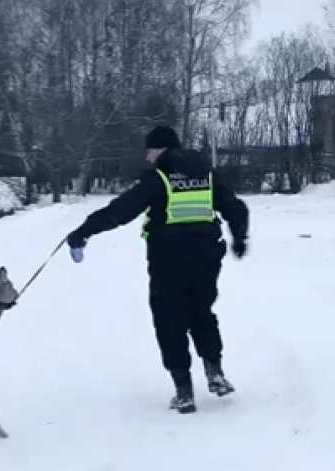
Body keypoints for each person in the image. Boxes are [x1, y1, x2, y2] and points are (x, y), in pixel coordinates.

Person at [66, 125, 249, 414]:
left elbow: (120, 211)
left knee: (169, 320)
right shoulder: (207, 175)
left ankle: (184, 391)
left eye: (149, 149)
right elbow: (235, 207)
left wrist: (83, 232)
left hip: (168, 260)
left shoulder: (158, 177)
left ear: (161, 148)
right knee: (201, 312)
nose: (147, 155)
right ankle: (215, 371)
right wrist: (239, 236)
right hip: (206, 258)